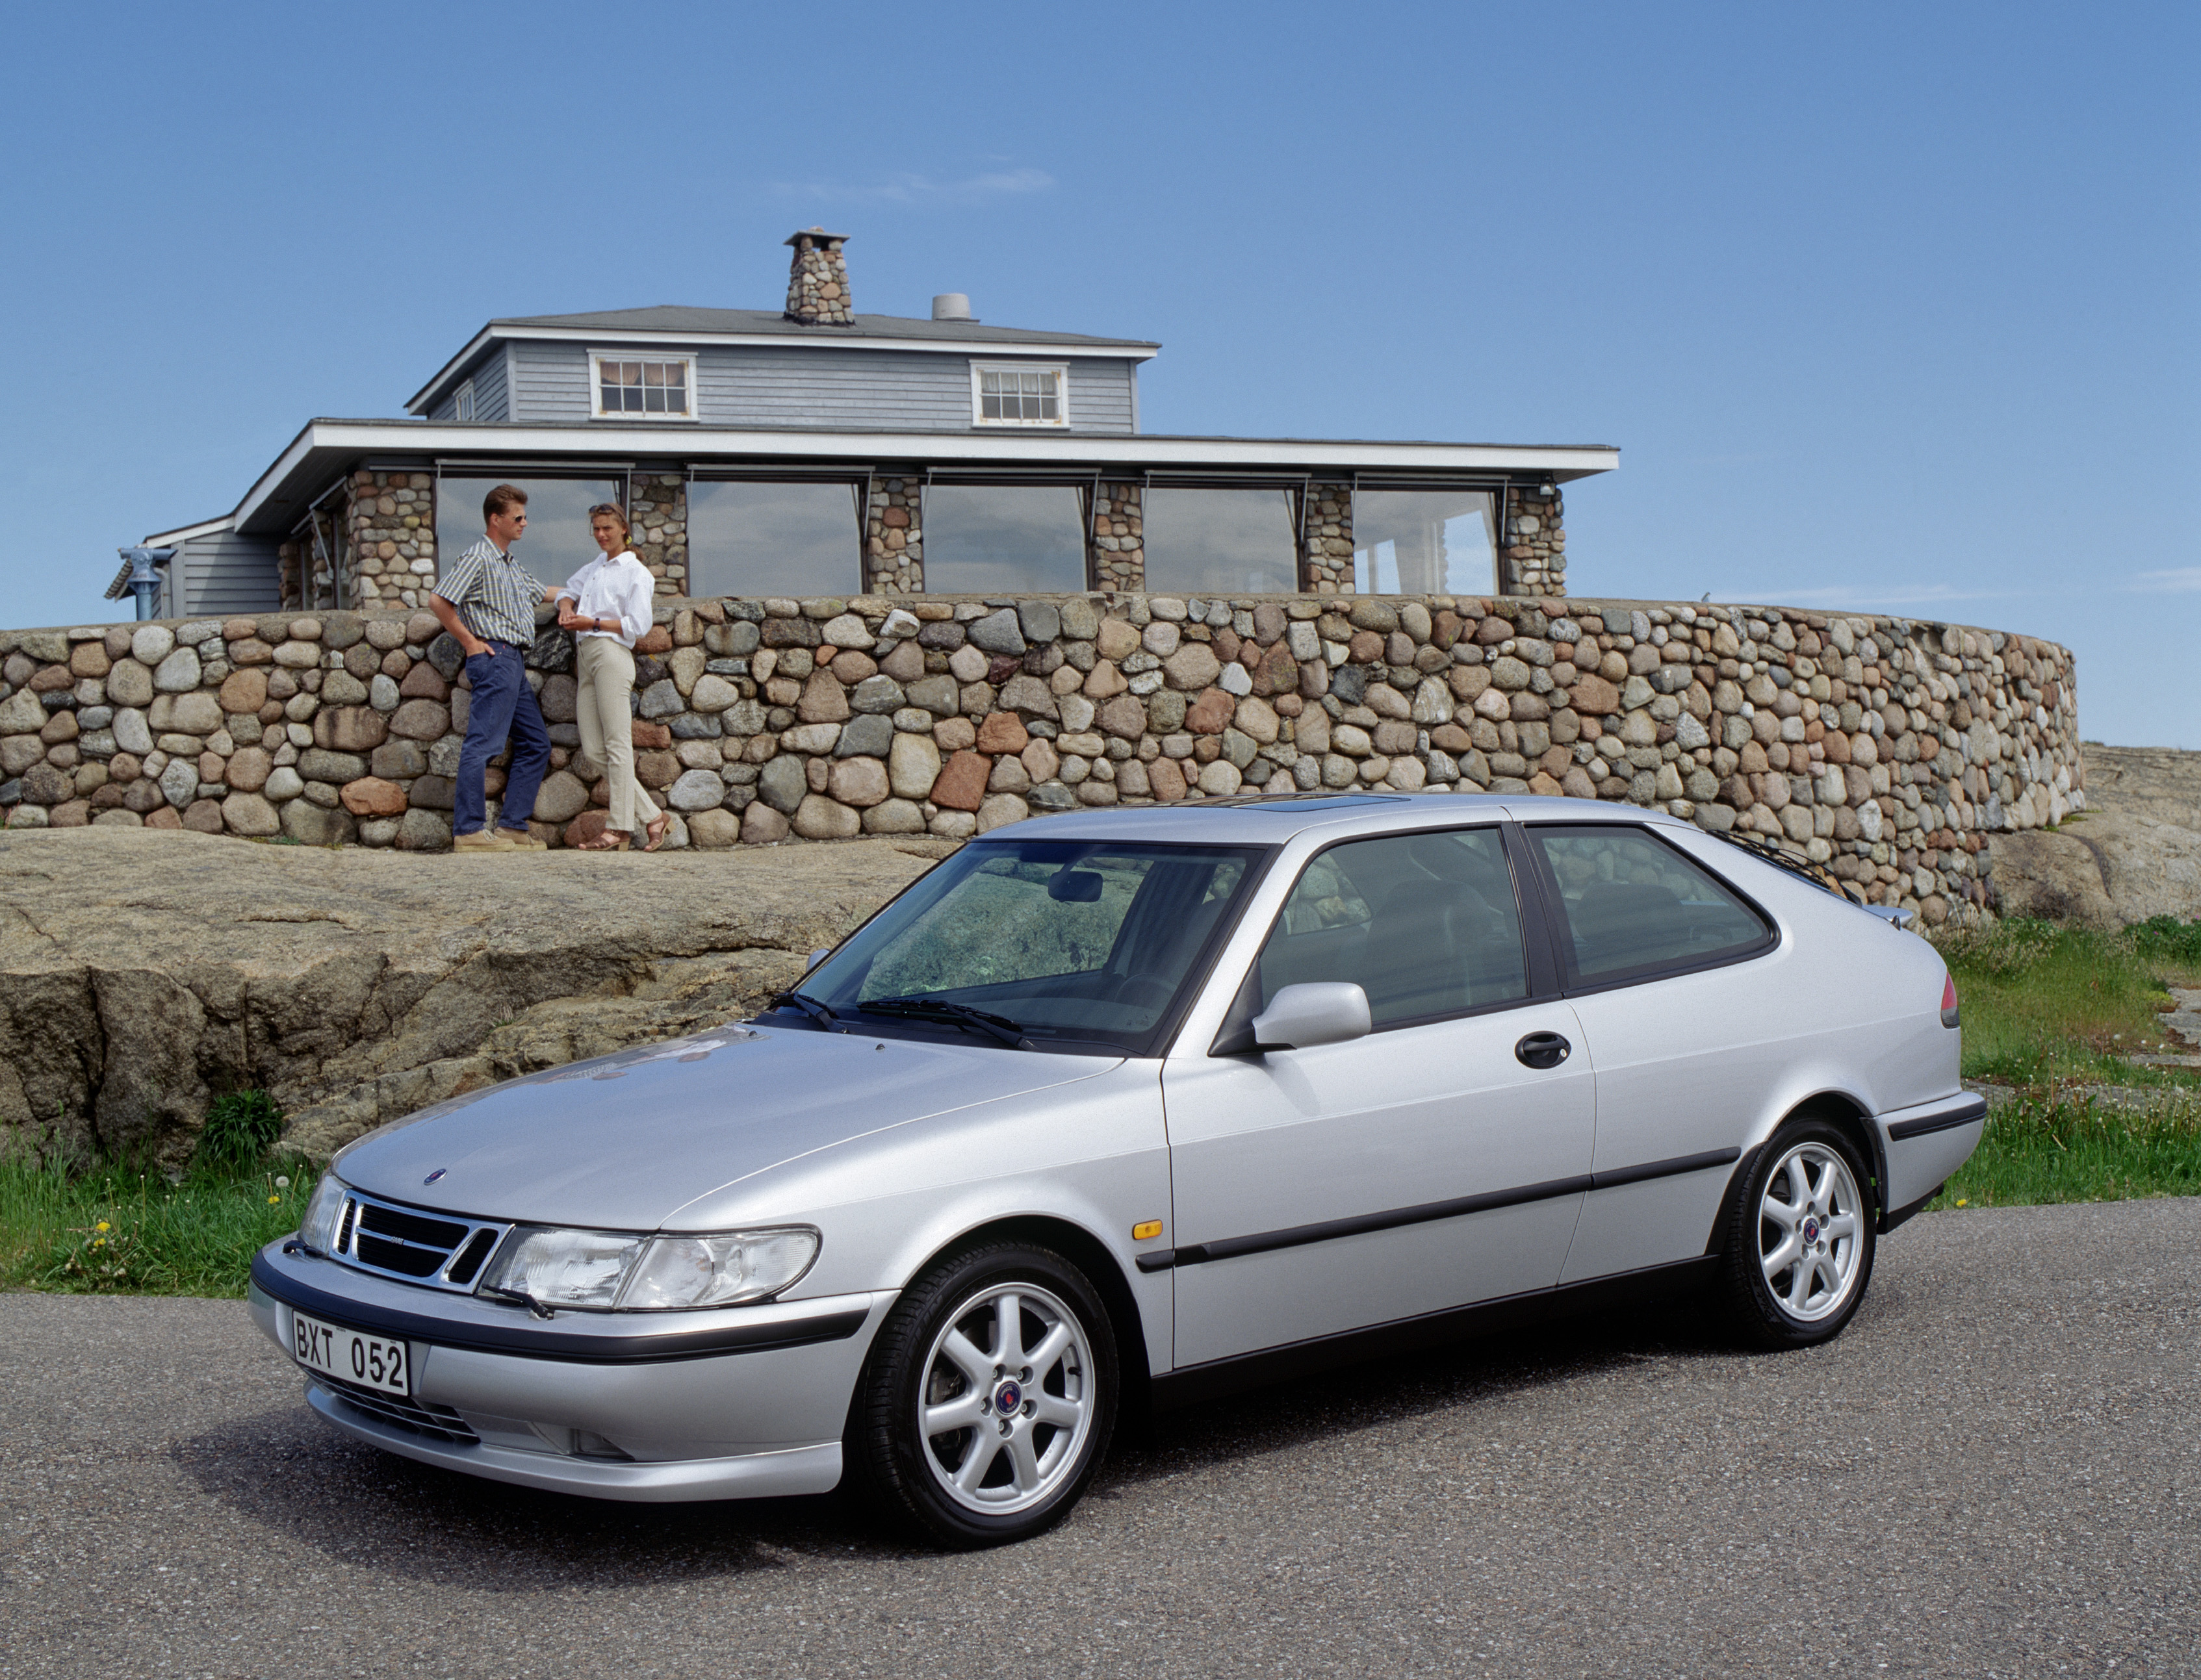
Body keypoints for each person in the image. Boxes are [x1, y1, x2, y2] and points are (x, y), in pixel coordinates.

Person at [430, 483, 558, 854]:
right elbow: (438, 600)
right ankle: (469, 831)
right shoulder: (479, 557)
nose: (525, 523)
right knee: (483, 744)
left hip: (513, 661)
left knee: (536, 743)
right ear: (495, 519)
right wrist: (470, 643)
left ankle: (511, 828)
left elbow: (543, 592)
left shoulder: (508, 563)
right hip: (494, 657)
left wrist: (589, 589)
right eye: (518, 518)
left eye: (525, 517)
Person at [554, 503, 668, 851]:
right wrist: (567, 608)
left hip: (611, 654)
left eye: (607, 528)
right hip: (586, 657)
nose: (601, 535)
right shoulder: (595, 567)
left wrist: (593, 623)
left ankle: (618, 828)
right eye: (596, 529)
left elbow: (637, 625)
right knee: (593, 749)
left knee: (618, 744)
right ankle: (652, 815)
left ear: (623, 529)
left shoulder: (636, 573)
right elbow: (565, 592)